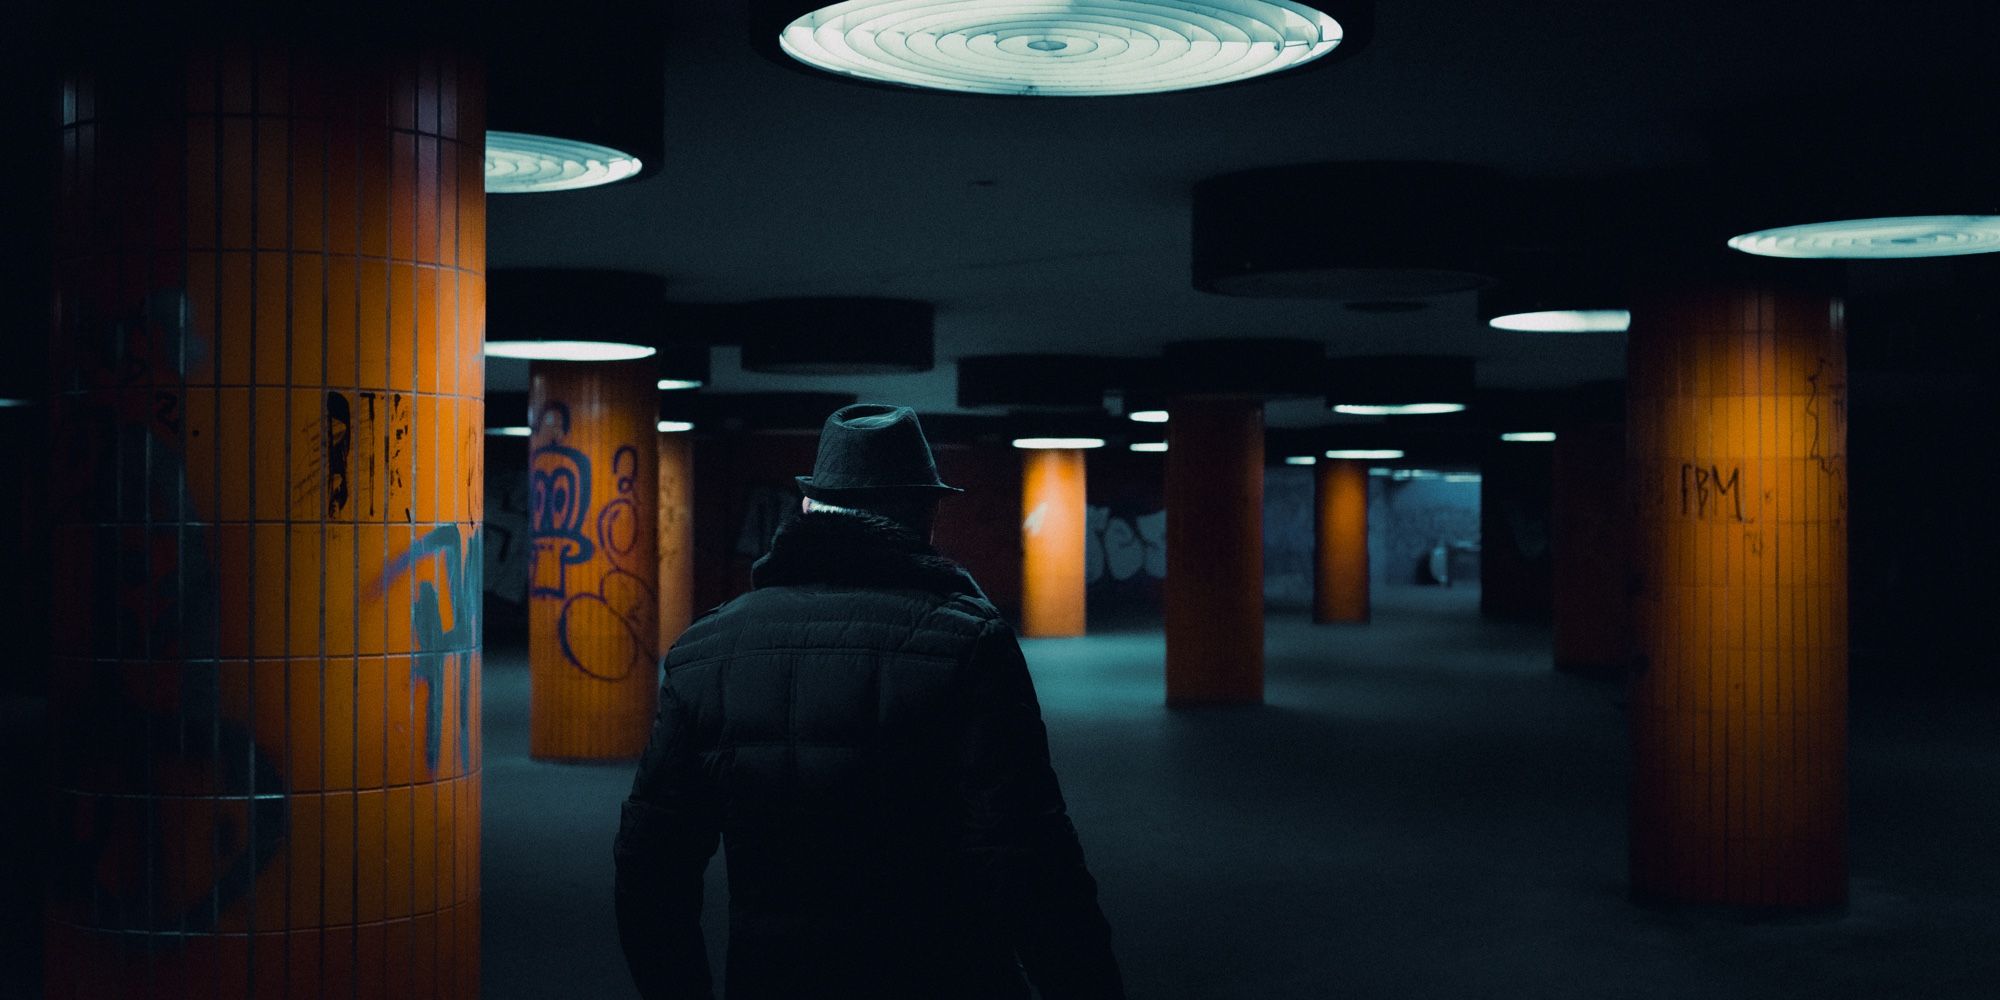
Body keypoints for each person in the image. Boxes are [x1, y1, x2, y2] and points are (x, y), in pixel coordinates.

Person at [614, 403, 1123, 1000]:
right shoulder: (968, 643)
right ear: (925, 517)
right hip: (944, 976)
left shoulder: (705, 649)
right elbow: (1028, 855)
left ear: (806, 510)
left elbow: (651, 866)